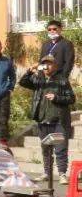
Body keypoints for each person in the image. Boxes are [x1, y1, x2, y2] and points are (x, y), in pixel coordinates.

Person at [19, 55, 75, 185]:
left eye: (49, 64)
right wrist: (29, 71)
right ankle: (47, 172)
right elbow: (23, 82)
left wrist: (56, 97)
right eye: (44, 64)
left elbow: (72, 99)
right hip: (43, 119)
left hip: (59, 120)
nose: (46, 66)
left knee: (60, 148)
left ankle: (62, 174)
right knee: (46, 149)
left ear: (54, 65)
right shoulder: (38, 80)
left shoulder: (62, 81)